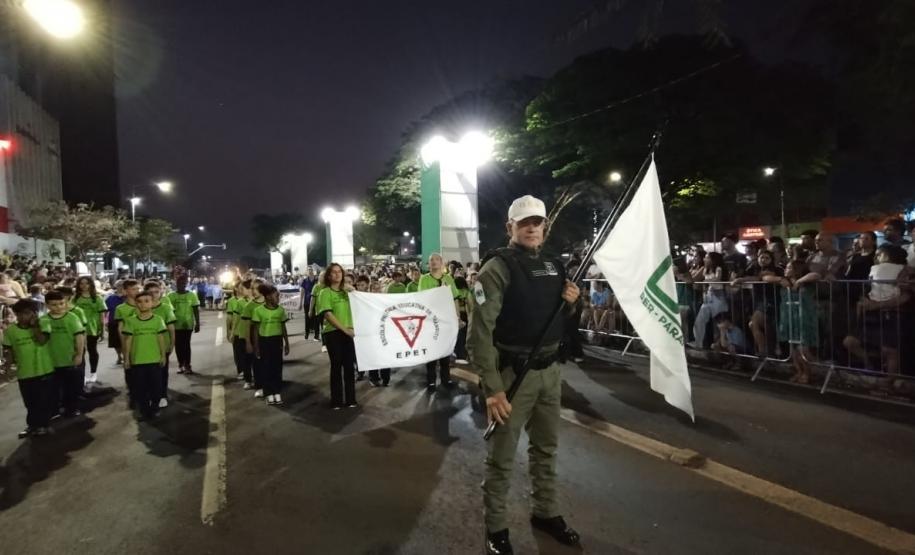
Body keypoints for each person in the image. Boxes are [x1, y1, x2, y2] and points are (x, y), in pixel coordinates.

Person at [467, 195, 581, 554]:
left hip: (550, 372)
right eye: (524, 222)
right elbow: (479, 334)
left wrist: (572, 303)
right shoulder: (496, 269)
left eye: (537, 222)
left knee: (546, 448)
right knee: (502, 457)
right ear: (510, 227)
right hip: (513, 377)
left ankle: (545, 511)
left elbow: (559, 319)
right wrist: (492, 389)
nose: (532, 228)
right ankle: (496, 527)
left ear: (545, 226)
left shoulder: (554, 264)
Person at [2, 299, 56, 438]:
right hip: (25, 372)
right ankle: (33, 425)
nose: (22, 317)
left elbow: (42, 340)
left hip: (44, 370)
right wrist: (7, 368)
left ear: (34, 313)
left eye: (26, 313)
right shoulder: (11, 331)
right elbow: (9, 351)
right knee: (30, 402)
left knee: (44, 400)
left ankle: (44, 425)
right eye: (19, 314)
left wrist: (34, 326)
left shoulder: (44, 324)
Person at [316, 263, 357, 409]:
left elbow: (360, 304)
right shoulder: (324, 292)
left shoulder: (347, 292)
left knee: (349, 366)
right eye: (333, 272)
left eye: (339, 271)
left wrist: (353, 290)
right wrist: (345, 330)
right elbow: (328, 314)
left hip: (349, 332)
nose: (337, 274)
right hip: (333, 333)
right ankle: (337, 400)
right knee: (336, 366)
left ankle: (351, 399)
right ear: (328, 275)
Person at [122, 291, 168, 420]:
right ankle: (144, 411)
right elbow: (128, 340)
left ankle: (155, 408)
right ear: (136, 304)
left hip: (154, 359)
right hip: (137, 360)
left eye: (147, 301)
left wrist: (163, 355)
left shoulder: (158, 320)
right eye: (140, 302)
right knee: (140, 388)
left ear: (152, 303)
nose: (143, 304)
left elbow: (161, 338)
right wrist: (126, 358)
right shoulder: (131, 321)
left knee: (156, 387)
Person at [418, 253, 460, 391]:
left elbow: (455, 298)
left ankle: (446, 378)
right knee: (431, 351)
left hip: (446, 320)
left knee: (445, 351)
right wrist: (439, 291)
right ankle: (431, 380)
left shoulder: (448, 278)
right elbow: (422, 298)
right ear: (428, 264)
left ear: (442, 263)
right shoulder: (424, 279)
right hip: (431, 321)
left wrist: (458, 316)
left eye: (437, 259)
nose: (434, 262)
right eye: (431, 260)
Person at [41, 291, 86, 417]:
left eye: (61, 303)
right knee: (54, 387)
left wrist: (79, 354)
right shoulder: (43, 320)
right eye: (54, 305)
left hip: (69, 359)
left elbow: (79, 337)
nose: (58, 307)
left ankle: (72, 408)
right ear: (47, 305)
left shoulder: (72, 317)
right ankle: (55, 409)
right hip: (51, 361)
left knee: (71, 386)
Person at [252, 284, 290, 405]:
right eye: (276, 296)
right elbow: (255, 330)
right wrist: (256, 347)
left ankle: (277, 391)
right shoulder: (258, 311)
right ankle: (268, 393)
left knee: (277, 367)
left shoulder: (280, 310)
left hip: (277, 341)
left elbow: (283, 327)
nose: (278, 298)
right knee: (266, 367)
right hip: (264, 341)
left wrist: (286, 343)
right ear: (268, 297)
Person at [145, 281, 177, 408]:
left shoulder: (166, 308)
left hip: (163, 345)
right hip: (146, 346)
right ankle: (150, 394)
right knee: (148, 373)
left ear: (160, 293)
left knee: (162, 371)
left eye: (156, 292)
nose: (153, 295)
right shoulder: (141, 308)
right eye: (150, 292)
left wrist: (172, 344)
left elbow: (171, 328)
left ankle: (162, 395)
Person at [74, 276, 107, 384]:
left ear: (91, 284)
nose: (84, 286)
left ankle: (93, 373)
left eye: (86, 283)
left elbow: (102, 315)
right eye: (81, 283)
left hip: (92, 328)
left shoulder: (97, 298)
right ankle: (82, 374)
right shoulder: (75, 298)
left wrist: (102, 330)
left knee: (92, 350)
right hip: (78, 328)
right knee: (80, 351)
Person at [168, 275, 201, 375]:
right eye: (179, 283)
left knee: (186, 345)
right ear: (176, 284)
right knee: (178, 345)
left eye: (183, 283)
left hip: (188, 324)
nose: (181, 285)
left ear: (186, 284)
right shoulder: (171, 296)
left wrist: (197, 323)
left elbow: (195, 310)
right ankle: (180, 364)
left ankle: (187, 365)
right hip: (175, 325)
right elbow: (168, 311)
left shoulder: (192, 295)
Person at [242, 278, 267, 397]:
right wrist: (248, 342)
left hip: (268, 338)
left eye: (256, 288)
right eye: (252, 288)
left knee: (268, 363)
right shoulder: (249, 306)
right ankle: (259, 386)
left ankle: (270, 385)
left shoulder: (269, 302)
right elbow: (247, 326)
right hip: (256, 339)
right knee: (257, 363)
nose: (253, 291)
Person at [231, 280, 255, 388]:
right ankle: (248, 380)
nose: (241, 291)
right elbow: (236, 318)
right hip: (242, 334)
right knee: (245, 358)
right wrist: (232, 333)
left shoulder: (258, 302)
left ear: (250, 289)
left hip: (255, 335)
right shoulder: (240, 302)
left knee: (256, 358)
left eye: (243, 289)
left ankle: (258, 379)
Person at [106, 280, 125, 365]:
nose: (121, 287)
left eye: (122, 285)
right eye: (119, 285)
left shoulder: (128, 297)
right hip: (113, 322)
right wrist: (105, 322)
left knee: (124, 340)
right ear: (116, 286)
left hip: (125, 322)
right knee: (115, 343)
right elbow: (106, 311)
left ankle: (125, 356)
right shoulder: (110, 298)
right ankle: (119, 356)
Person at [299, 269, 319, 340]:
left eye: (311, 270)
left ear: (313, 272)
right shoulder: (305, 281)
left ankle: (316, 335)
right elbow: (302, 292)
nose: (310, 271)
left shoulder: (317, 280)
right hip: (307, 302)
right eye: (309, 270)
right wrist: (300, 302)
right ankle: (306, 333)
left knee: (316, 318)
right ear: (307, 272)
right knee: (307, 318)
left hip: (316, 302)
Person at [307, 271, 326, 343]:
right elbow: (312, 299)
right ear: (319, 277)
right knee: (317, 325)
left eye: (324, 276)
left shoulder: (328, 286)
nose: (323, 277)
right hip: (318, 310)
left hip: (327, 311)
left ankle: (324, 341)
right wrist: (310, 310)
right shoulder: (316, 287)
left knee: (324, 326)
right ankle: (316, 336)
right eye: (322, 276)